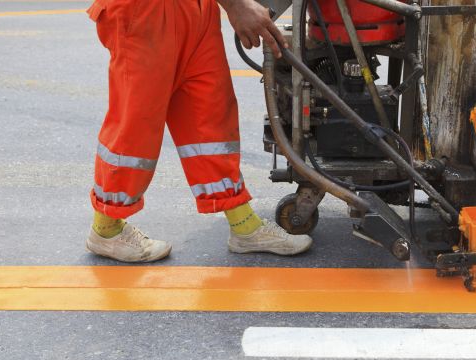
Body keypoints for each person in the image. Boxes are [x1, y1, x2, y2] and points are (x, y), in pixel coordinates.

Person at [85, 0, 311, 262]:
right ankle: (106, 229)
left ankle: (243, 225)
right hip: (144, 12)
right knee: (136, 124)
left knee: (210, 117)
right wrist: (236, 5)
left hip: (195, 11)